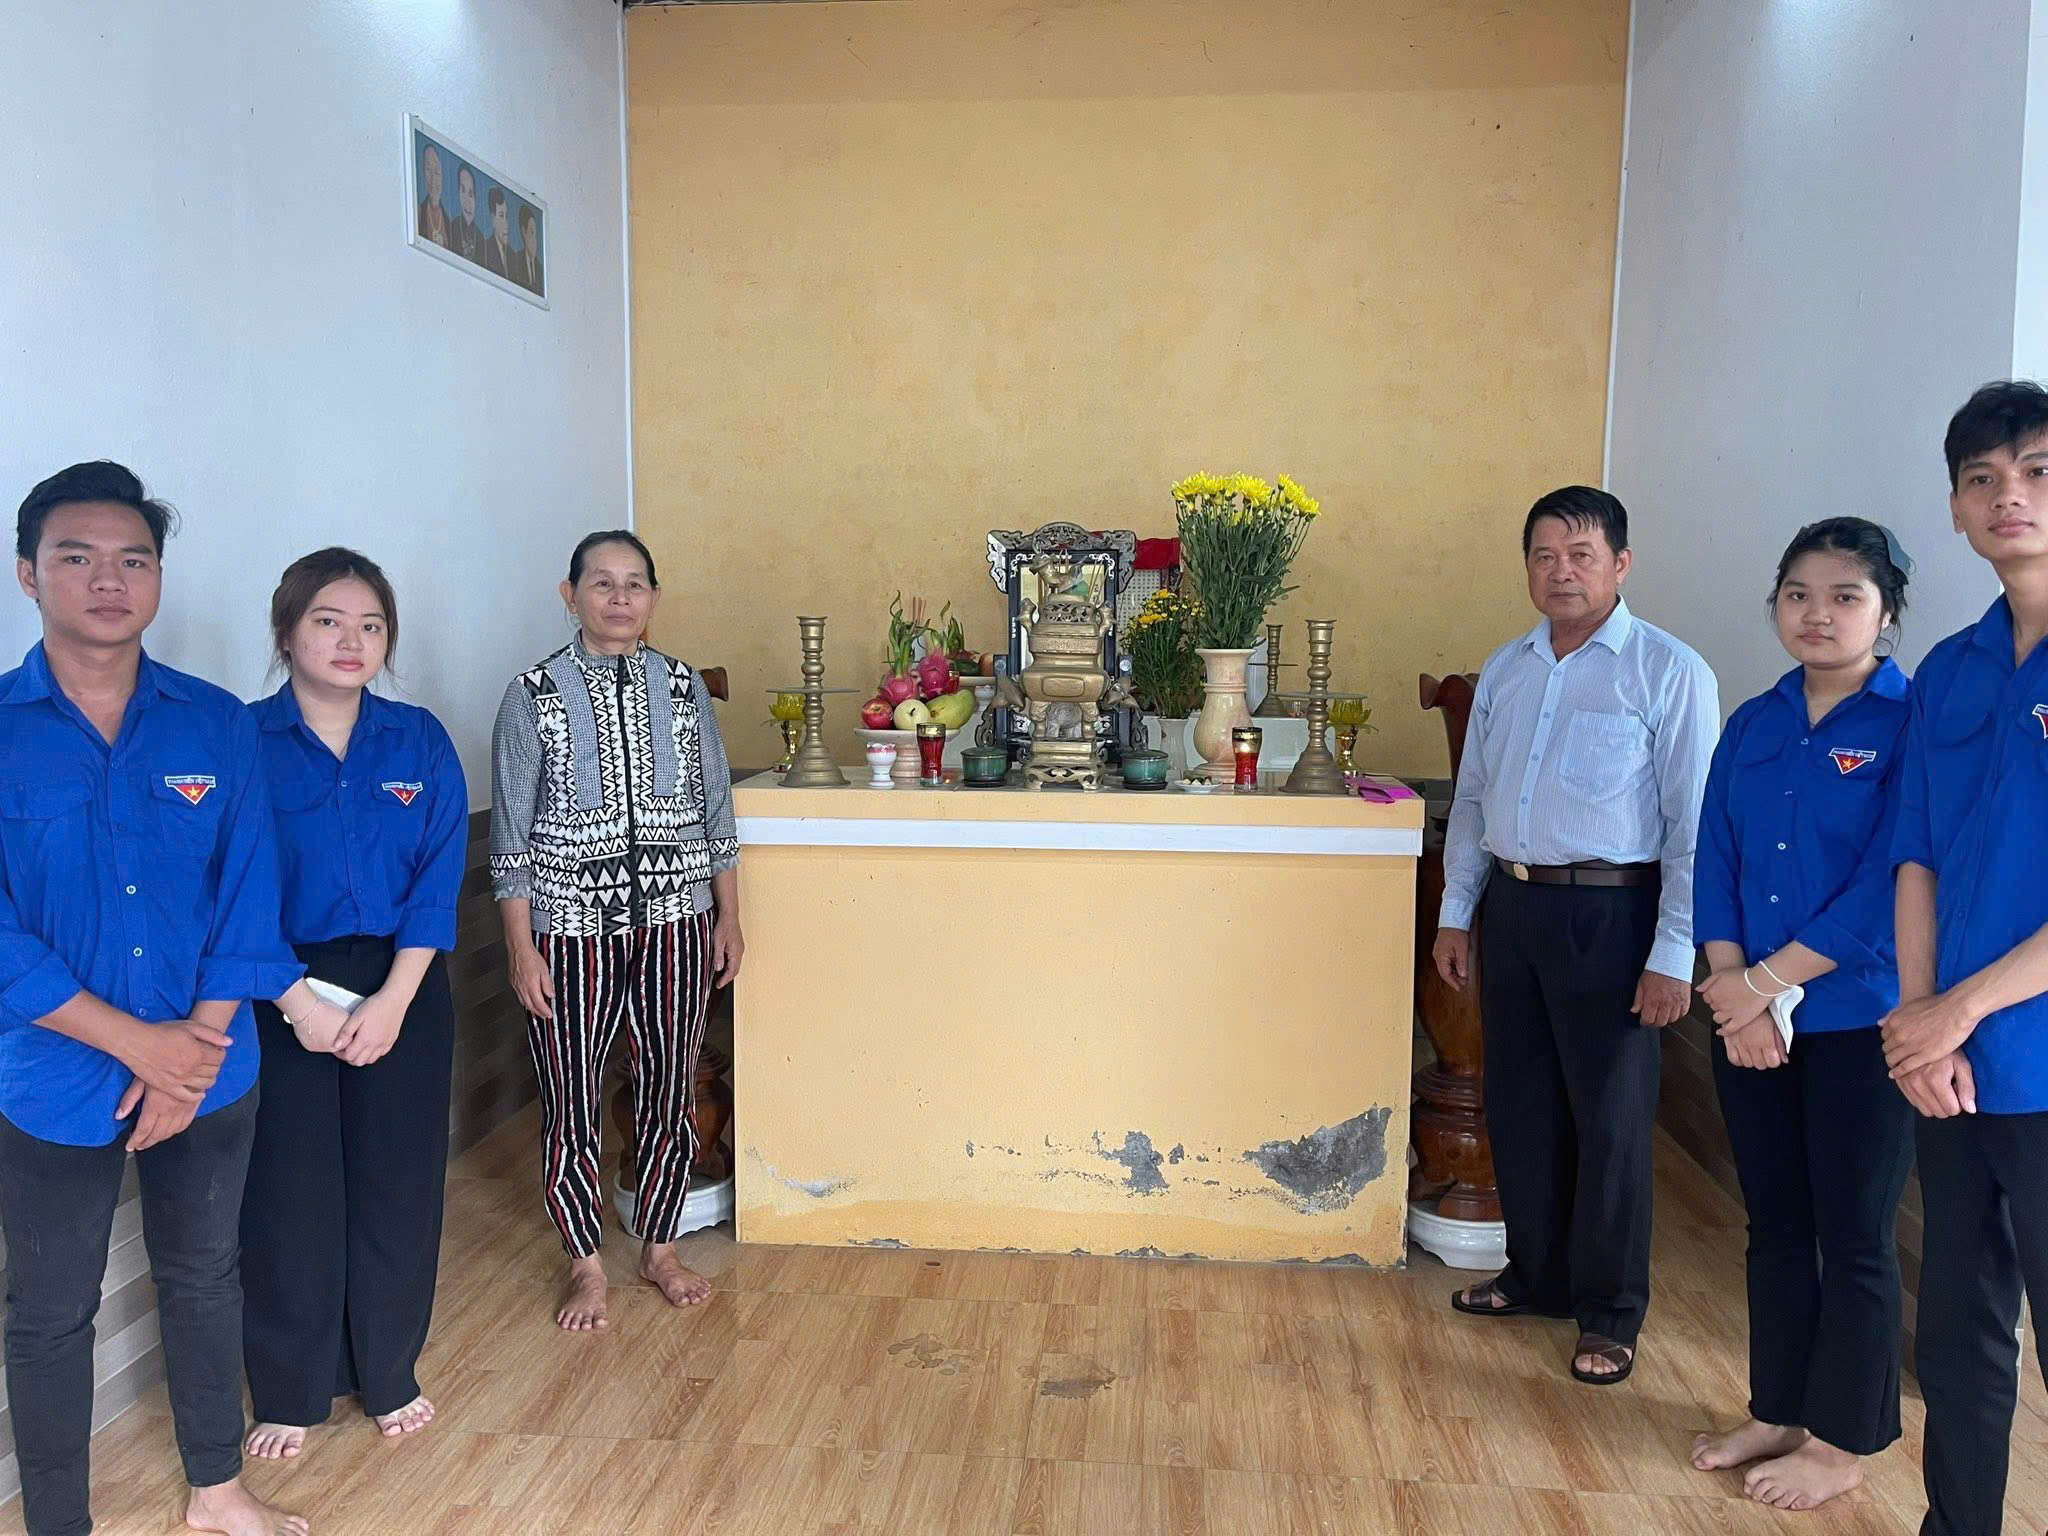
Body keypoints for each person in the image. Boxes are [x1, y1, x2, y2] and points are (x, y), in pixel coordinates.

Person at [0, 461, 344, 1536]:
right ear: (28, 574)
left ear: (158, 576)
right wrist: (140, 1049)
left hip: (211, 1064)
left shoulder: (214, 723)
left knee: (203, 1275)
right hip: (49, 1073)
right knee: (49, 1310)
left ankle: (217, 1490)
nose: (109, 580)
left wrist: (192, 1048)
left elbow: (249, 893)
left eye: (133, 559)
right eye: (77, 557)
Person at [1432, 486, 1718, 1385]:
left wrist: (1673, 953)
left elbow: (1694, 828)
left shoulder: (1669, 671)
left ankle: (1610, 1311)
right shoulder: (1508, 668)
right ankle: (1537, 1276)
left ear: (1620, 564)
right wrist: (1456, 911)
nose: (1561, 571)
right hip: (1515, 908)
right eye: (1544, 555)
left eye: (1582, 554)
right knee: (1522, 1106)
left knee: (1612, 1123)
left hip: (1614, 914)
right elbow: (1474, 799)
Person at [1687, 518, 1915, 1510]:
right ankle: (1777, 1408)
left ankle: (1839, 1443)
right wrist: (1732, 987)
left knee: (1854, 1232)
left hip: (1859, 1019)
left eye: (1844, 596)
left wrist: (1766, 984)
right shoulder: (1754, 721)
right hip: (1748, 1015)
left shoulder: (1908, 725)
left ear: (1886, 613)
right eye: (1796, 594)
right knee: (1775, 1224)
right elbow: (1715, 857)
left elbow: (1891, 882)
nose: (1816, 614)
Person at [238, 549, 468, 1463]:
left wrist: (395, 999)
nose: (351, 640)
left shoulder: (418, 740)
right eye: (329, 621)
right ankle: (291, 1388)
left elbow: (438, 878)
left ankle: (389, 1369)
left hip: (402, 980)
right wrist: (296, 1002)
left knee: (397, 1183)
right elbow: (228, 885)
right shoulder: (239, 741)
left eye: (371, 625)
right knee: (288, 1191)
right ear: (287, 630)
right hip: (277, 983)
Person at [491, 530, 744, 1331]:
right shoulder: (532, 694)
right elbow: (510, 837)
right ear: (570, 595)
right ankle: (585, 1262)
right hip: (570, 929)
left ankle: (659, 1248)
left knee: (669, 1084)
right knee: (569, 1094)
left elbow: (715, 809)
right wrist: (520, 947)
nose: (620, 597)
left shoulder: (683, 688)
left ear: (654, 599)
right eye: (602, 583)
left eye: (635, 583)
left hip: (676, 921)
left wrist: (729, 916)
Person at [1884, 379, 2048, 1536]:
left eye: (2036, 472)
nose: (2008, 497)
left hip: (2034, 1064)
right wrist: (1916, 1023)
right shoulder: (1948, 668)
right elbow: (1917, 860)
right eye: (1980, 478)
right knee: (1955, 1335)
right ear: (1951, 506)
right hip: (1951, 1074)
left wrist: (1955, 1010)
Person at [415, 145, 450, 250]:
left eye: (437, 172)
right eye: (428, 170)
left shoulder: (449, 223)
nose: (433, 179)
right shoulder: (418, 213)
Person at [450, 165, 483, 265]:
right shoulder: (452, 227)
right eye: (463, 191)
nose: (467, 201)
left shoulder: (481, 238)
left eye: (470, 194)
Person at [481, 187, 512, 280]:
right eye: (501, 216)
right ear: (493, 219)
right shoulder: (485, 249)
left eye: (507, 216)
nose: (506, 224)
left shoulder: (513, 255)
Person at [515, 205, 544, 295]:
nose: (535, 240)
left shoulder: (541, 270)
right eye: (532, 232)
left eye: (535, 234)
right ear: (524, 231)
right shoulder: (515, 261)